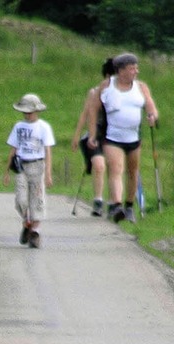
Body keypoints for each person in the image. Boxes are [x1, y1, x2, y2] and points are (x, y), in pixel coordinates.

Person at [88, 52, 158, 223]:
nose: (135, 71)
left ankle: (128, 206)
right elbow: (93, 109)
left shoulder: (141, 87)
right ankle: (117, 205)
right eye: (131, 68)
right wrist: (92, 134)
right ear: (120, 70)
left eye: (136, 68)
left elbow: (149, 104)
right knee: (116, 168)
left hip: (133, 137)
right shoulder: (106, 86)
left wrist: (152, 115)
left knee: (132, 172)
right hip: (112, 137)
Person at [4, 93, 55, 249]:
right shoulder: (18, 127)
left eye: (29, 112)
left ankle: (35, 232)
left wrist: (48, 173)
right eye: (24, 112)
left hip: (38, 166)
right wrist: (6, 171)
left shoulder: (43, 127)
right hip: (21, 166)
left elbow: (47, 151)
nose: (27, 115)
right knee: (21, 199)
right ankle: (27, 223)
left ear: (36, 111)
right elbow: (13, 148)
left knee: (37, 199)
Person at [71, 58, 115, 217]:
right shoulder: (94, 92)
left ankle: (113, 203)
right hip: (95, 134)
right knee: (99, 165)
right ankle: (98, 201)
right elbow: (86, 114)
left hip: (113, 135)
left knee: (113, 168)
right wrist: (76, 135)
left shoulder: (123, 95)